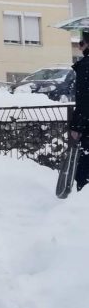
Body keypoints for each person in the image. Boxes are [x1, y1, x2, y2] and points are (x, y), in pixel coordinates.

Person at [70, 30, 89, 191]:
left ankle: (83, 197)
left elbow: (83, 99)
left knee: (85, 168)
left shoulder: (85, 66)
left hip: (87, 123)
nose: (79, 46)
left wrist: (76, 126)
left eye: (81, 42)